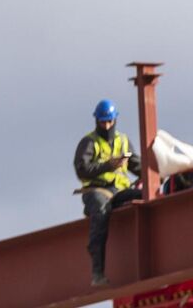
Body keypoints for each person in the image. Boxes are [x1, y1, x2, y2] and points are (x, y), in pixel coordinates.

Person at [75, 99, 142, 287]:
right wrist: (106, 165)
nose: (106, 125)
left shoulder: (123, 142)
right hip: (97, 190)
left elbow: (135, 163)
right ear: (97, 121)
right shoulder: (90, 142)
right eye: (102, 122)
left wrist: (156, 174)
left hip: (119, 190)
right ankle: (97, 271)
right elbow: (82, 169)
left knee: (144, 196)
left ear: (114, 120)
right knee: (101, 209)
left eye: (109, 121)